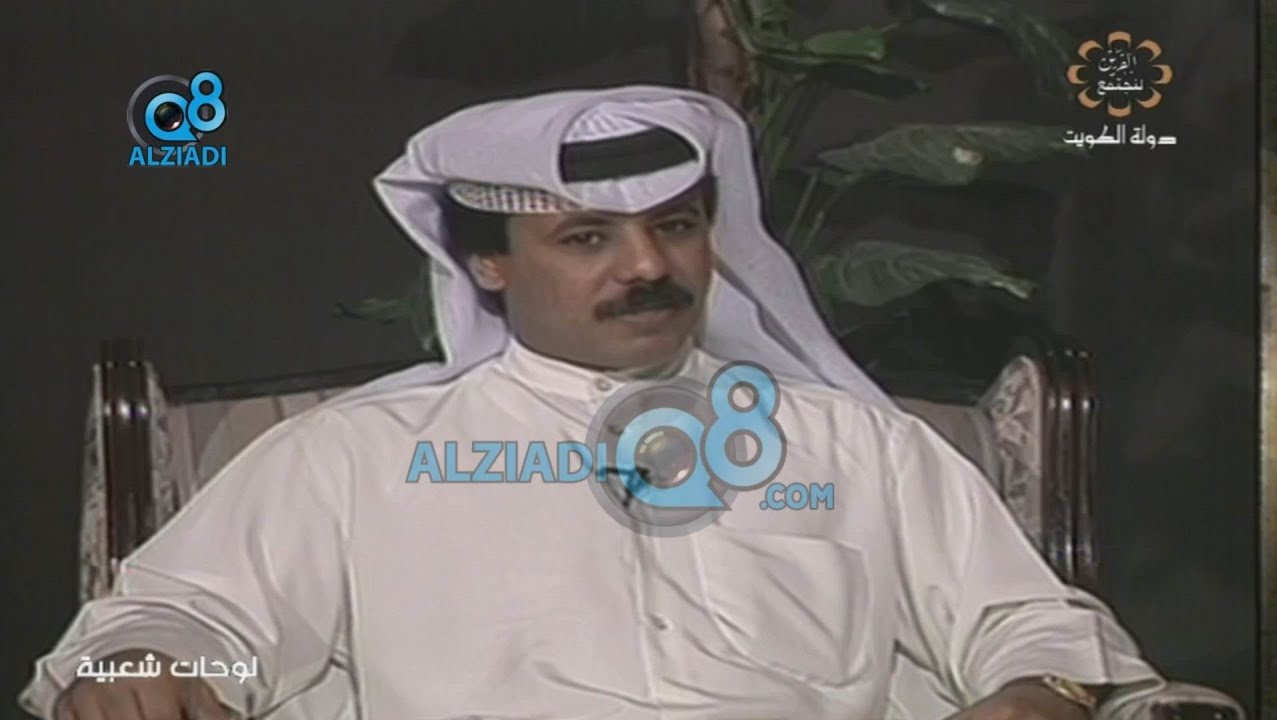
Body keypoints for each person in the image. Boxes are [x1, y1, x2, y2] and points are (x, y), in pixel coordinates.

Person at [22, 86, 1164, 720]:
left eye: (675, 226)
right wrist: (144, 669)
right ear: (486, 263)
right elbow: (180, 627)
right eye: (586, 238)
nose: (649, 267)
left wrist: (1045, 689)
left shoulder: (852, 445)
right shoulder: (359, 458)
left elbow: (1027, 622)